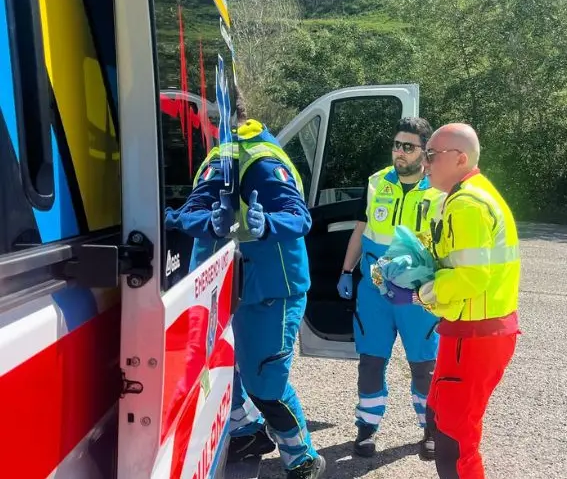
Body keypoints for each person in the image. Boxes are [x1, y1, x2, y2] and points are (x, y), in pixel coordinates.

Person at [175, 102, 326, 479]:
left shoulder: (259, 157)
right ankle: (246, 431)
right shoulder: (222, 154)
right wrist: (201, 219)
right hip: (223, 285)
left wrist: (267, 224)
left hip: (269, 289)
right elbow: (192, 210)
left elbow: (298, 216)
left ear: (212, 123)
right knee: (225, 365)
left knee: (266, 380)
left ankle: (302, 457)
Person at [387, 122, 521, 479]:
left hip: (474, 336)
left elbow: (471, 277)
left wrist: (417, 292)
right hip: (471, 333)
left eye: (432, 155)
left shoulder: (466, 203)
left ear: (460, 158)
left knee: (454, 443)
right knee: (442, 421)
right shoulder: (469, 194)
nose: (425, 162)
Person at [336, 117, 444, 459]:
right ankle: (366, 429)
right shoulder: (375, 183)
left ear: (424, 153)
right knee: (370, 361)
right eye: (397, 144)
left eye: (408, 146)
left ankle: (430, 429)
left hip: (418, 294)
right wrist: (345, 270)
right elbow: (360, 230)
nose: (400, 152)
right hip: (375, 292)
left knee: (424, 366)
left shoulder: (440, 190)